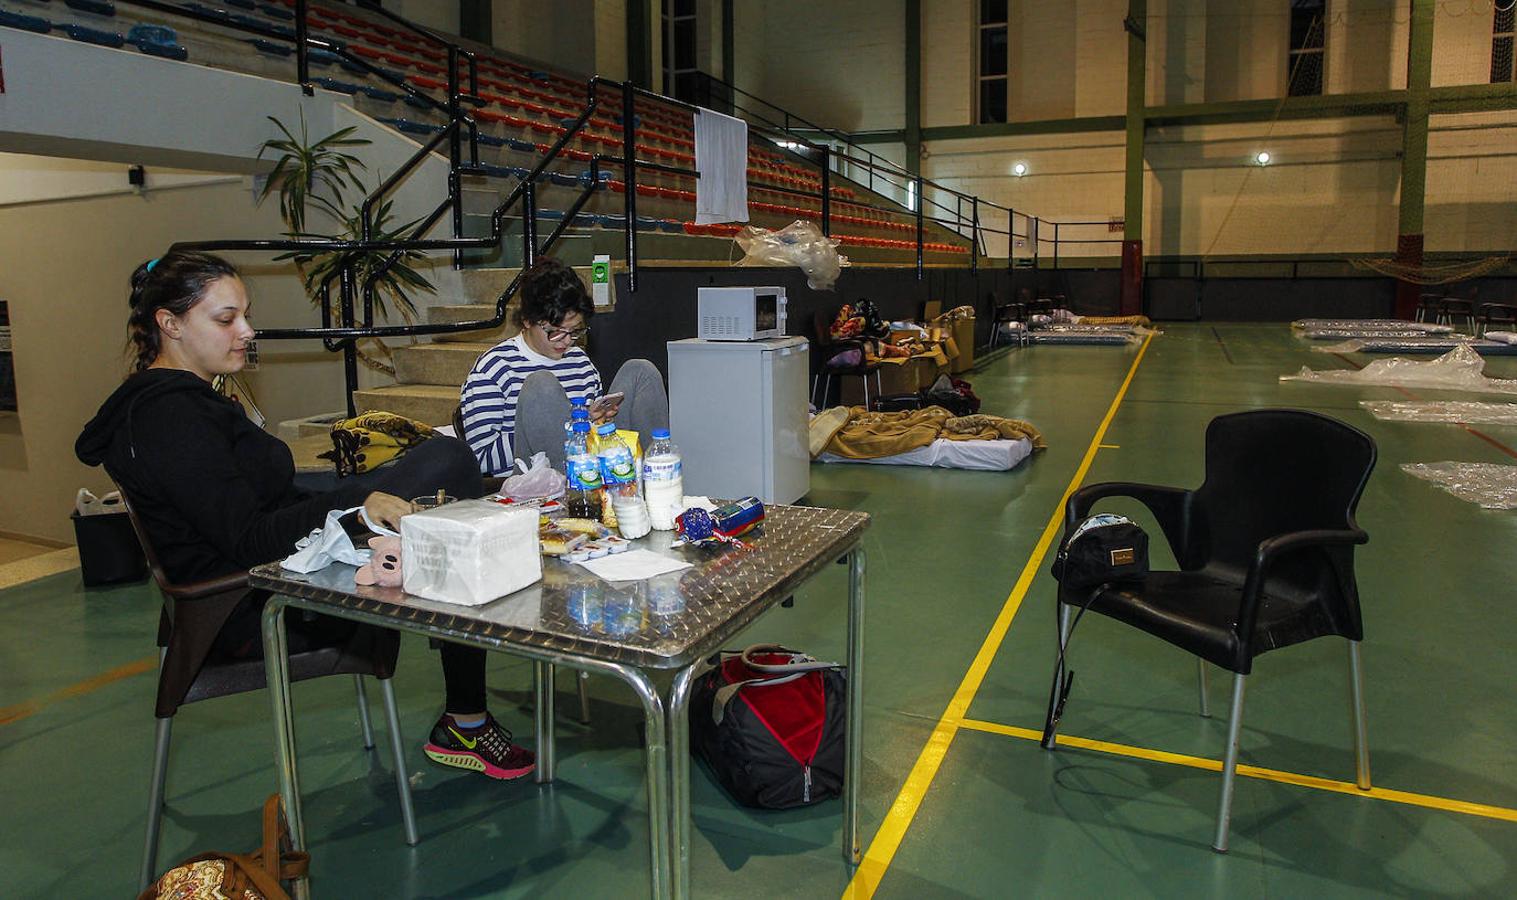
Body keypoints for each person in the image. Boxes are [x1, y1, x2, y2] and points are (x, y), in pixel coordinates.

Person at [75, 249, 534, 781]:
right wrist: (355, 507)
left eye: (245, 315)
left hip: (268, 576)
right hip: (247, 607)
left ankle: (466, 712)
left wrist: (354, 495)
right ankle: (466, 717)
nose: (247, 331)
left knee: (437, 468)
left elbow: (258, 498)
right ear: (169, 324)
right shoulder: (170, 418)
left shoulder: (184, 402)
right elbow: (248, 539)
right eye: (226, 320)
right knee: (449, 464)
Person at [459, 257, 669, 475]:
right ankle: (574, 495)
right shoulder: (494, 369)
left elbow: (593, 437)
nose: (567, 341)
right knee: (541, 386)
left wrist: (598, 421)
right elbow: (480, 459)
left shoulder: (579, 362)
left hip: (594, 468)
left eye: (575, 331)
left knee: (641, 371)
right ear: (527, 320)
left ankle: (658, 484)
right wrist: (567, 425)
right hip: (536, 482)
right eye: (555, 331)